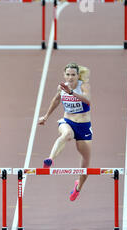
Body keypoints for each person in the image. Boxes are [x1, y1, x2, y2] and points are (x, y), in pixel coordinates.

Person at [38, 62, 92, 201]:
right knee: (66, 134)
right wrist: (46, 116)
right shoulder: (61, 87)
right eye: (67, 74)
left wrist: (72, 93)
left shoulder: (83, 86)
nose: (70, 77)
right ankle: (49, 160)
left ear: (77, 75)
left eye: (73, 75)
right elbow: (56, 100)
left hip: (84, 126)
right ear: (64, 75)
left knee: (85, 167)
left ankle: (78, 187)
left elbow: (88, 101)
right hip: (68, 121)